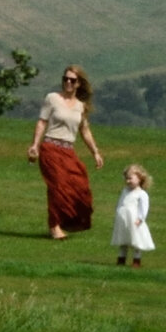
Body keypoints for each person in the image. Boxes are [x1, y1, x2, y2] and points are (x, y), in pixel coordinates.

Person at [27, 65, 103, 240]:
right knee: (57, 187)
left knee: (80, 184)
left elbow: (85, 131)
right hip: (50, 149)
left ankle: (69, 221)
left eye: (72, 80)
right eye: (65, 79)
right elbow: (41, 122)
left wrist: (95, 153)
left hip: (68, 151)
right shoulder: (52, 98)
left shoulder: (80, 106)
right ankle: (55, 227)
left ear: (78, 84)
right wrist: (34, 145)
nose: (68, 82)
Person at [112, 165, 155, 267]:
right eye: (126, 179)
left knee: (136, 240)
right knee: (123, 240)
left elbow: (144, 208)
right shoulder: (125, 191)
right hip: (123, 221)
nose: (128, 181)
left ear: (139, 178)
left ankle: (136, 260)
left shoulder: (141, 194)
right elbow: (121, 203)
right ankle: (121, 259)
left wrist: (140, 218)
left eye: (130, 178)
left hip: (134, 221)